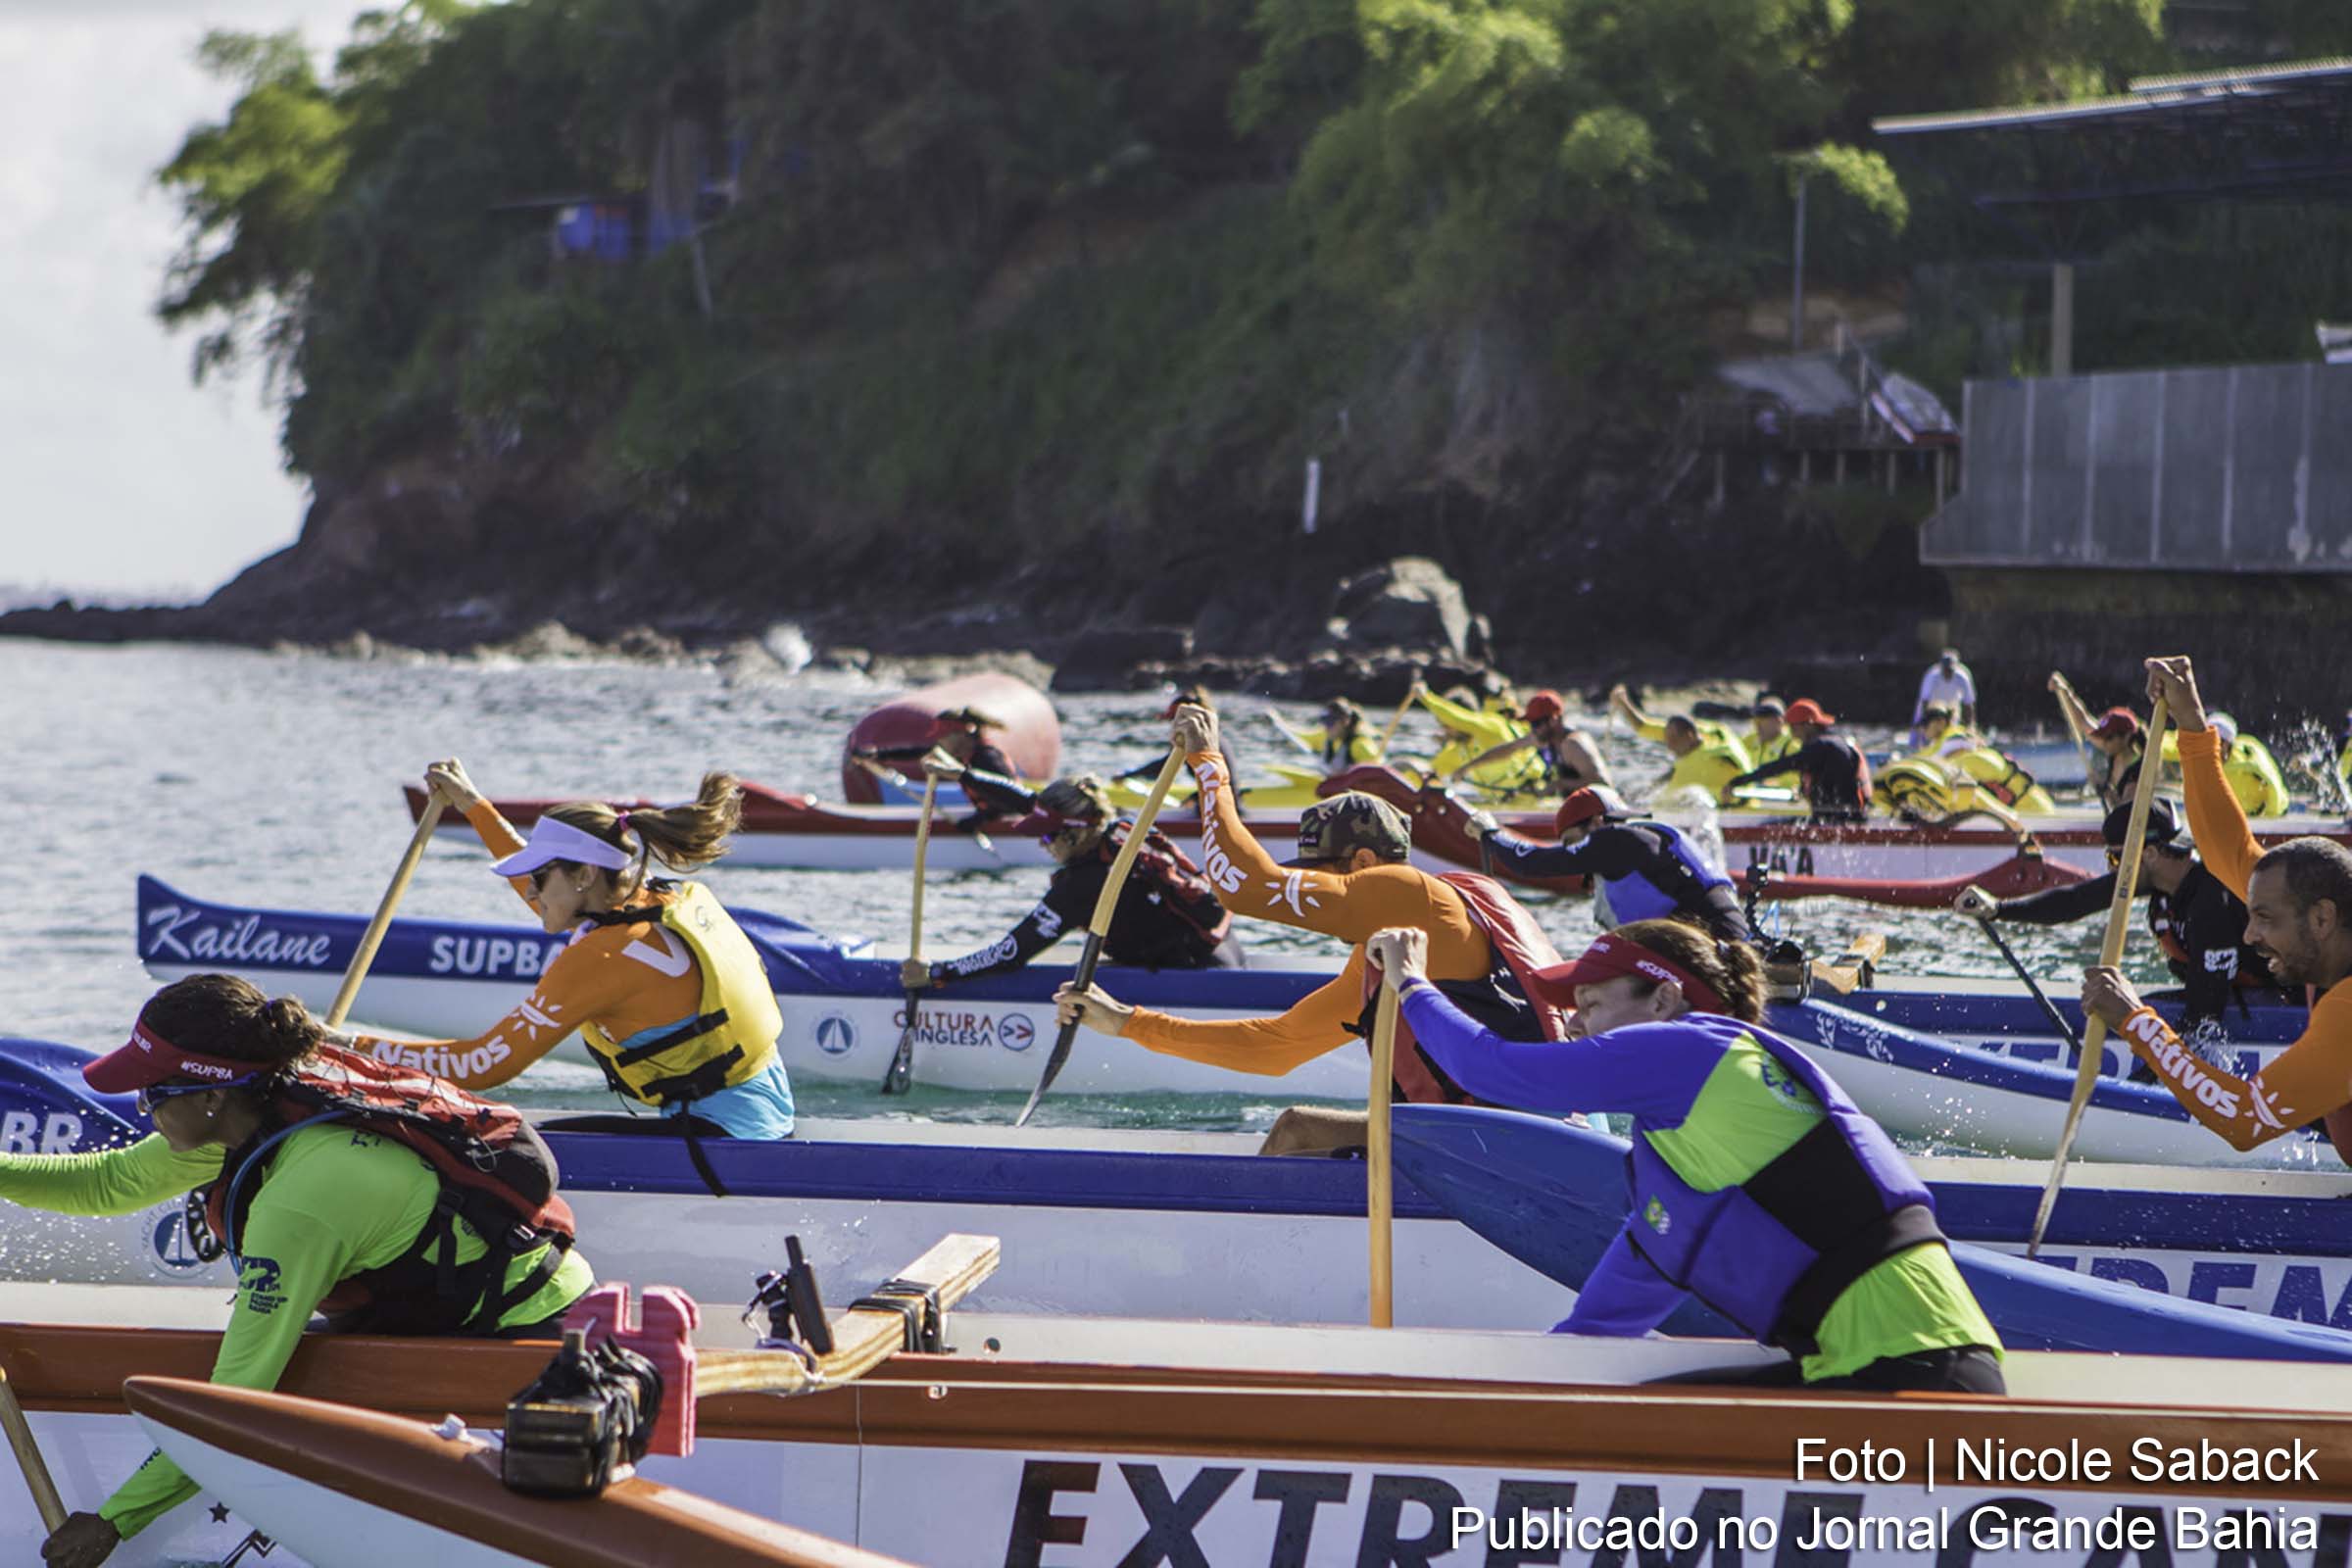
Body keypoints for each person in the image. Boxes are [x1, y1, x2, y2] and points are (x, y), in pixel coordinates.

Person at [20, 975, 594, 1568]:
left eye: (150, 1095)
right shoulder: (258, 1104)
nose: (145, 1110)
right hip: (455, 1297)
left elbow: (237, 1401)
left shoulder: (298, 1202)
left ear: (209, 1095)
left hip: (530, 1340)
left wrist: (115, 1520)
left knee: (262, 1370)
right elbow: (107, 1183)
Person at [1364, 920, 2003, 1393]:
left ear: (1663, 1001)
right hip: (1868, 1371)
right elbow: (1591, 1336)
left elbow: (1495, 1072)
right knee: (1636, 1409)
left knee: (1648, 1424)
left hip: (1922, 1375)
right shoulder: (1680, 1177)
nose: (1576, 1026)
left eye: (1590, 1004)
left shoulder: (1698, 1052)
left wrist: (1410, 980)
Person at [1053, 702, 1567, 1154]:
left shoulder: (1411, 895)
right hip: (1506, 1131)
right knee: (1300, 1129)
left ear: (1363, 860)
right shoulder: (1391, 950)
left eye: (1315, 876)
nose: (1307, 893)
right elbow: (1275, 1046)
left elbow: (1244, 886)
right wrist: (1126, 1022)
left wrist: (1209, 767)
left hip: (1507, 1146)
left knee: (1296, 1133)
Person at [362, 760, 796, 1142]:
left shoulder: (601, 958)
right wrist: (474, 806)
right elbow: (553, 893)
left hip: (723, 1140)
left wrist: (350, 1046)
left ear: (586, 875)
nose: (531, 891)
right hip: (764, 1116)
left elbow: (480, 1065)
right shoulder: (650, 900)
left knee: (499, 1152)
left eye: (540, 877)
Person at [2083, 657, 2352, 1160]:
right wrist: (2192, 725)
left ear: (2322, 918)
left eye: (2264, 920)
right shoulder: (2329, 930)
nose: (2248, 937)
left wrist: (2138, 1022)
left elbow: (2244, 1119)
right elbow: (2229, 848)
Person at [1957, 798, 2273, 1068]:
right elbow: (2075, 901)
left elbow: (2205, 1020)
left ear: (2148, 854)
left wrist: (2146, 1081)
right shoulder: (2160, 883)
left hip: (2274, 1010)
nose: (2112, 870)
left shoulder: (2210, 899)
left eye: (2115, 858)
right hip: (2227, 1000)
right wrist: (1998, 909)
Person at [928, 774, 1242, 983]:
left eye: (1049, 836)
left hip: (1194, 984)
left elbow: (1011, 953)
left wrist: (939, 972)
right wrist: (964, 776)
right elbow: (1026, 800)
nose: (1042, 844)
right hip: (1229, 957)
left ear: (1077, 833)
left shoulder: (1083, 884)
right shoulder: (1124, 829)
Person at [1476, 786, 1749, 943]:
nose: (1574, 854)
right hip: (1726, 942)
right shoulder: (1645, 836)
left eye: (1572, 841)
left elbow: (1531, 863)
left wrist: (1490, 833)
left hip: (1715, 947)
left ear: (1596, 822)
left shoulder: (1614, 840)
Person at [858, 707, 1034, 828]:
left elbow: (1010, 797)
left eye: (942, 738)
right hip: (993, 814)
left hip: (1010, 820)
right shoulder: (964, 753)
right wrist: (878, 755)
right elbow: (921, 752)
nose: (939, 743)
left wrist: (981, 819)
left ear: (959, 735)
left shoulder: (986, 758)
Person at [1721, 699, 1869, 821]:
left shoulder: (1821, 747)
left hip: (1837, 820)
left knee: (1770, 827)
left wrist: (1738, 782)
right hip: (1845, 816)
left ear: (1808, 725)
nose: (1792, 734)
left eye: (1794, 728)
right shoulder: (1835, 741)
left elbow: (1781, 766)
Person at [1447, 689, 1613, 797]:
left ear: (1554, 720)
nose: (1533, 730)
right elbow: (1507, 750)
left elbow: (1603, 784)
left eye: (1536, 724)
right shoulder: (1544, 737)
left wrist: (1558, 784)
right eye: (1531, 724)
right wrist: (1467, 767)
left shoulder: (1573, 744)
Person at [1911, 703, 2053, 813]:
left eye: (1925, 725)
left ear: (1940, 722)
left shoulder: (1962, 752)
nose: (1922, 730)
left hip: (2033, 813)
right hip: (2037, 807)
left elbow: (1935, 764)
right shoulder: (1959, 742)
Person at [1420, 684, 1548, 796]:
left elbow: (1454, 716)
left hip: (1535, 797)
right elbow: (1435, 769)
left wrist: (1425, 696)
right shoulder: (1461, 748)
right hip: (1506, 804)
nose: (1444, 730)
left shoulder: (1491, 725)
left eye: (1447, 725)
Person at [2051, 677, 2144, 811]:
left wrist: (2104, 790)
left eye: (2109, 737)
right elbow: (2083, 721)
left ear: (2127, 736)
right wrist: (2065, 691)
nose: (2104, 742)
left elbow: (2127, 813)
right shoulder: (2115, 750)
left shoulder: (2137, 771)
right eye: (2102, 736)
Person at [1273, 698, 1381, 775]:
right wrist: (1277, 722)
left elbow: (1377, 772)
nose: (1326, 727)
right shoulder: (1325, 736)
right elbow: (1300, 736)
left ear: (1344, 722)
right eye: (1324, 722)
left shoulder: (1360, 744)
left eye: (1330, 722)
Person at [1912, 648, 1978, 738]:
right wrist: (1923, 722)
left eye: (1950, 670)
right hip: (1932, 709)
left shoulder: (1962, 678)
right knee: (1923, 733)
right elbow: (1924, 701)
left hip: (1952, 709)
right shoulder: (1932, 676)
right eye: (1945, 670)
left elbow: (1968, 704)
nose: (1947, 673)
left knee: (1951, 732)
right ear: (1941, 667)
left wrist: (1970, 725)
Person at [1748, 697, 1799, 766]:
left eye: (1763, 719)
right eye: (1756, 719)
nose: (1758, 725)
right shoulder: (1750, 741)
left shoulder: (1793, 748)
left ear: (1779, 721)